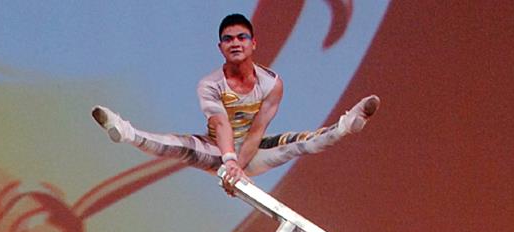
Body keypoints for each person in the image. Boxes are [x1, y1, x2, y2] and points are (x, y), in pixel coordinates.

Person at [92, 12, 379, 190]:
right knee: (177, 146)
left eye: (242, 37)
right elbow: (221, 123)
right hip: (219, 149)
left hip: (254, 152)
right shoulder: (210, 84)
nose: (235, 43)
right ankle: (126, 131)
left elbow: (257, 130)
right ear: (221, 48)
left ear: (253, 43)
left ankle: (346, 125)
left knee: (301, 143)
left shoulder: (272, 83)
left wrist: (239, 167)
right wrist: (229, 162)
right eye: (228, 39)